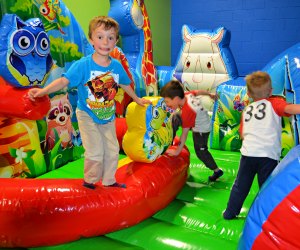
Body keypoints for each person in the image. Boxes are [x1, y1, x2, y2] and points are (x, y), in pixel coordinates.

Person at [28, 16, 151, 190]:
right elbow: (64, 81)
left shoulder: (115, 66)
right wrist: (42, 91)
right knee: (95, 150)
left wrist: (137, 98)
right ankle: (90, 181)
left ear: (116, 41)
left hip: (107, 116)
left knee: (112, 150)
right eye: (100, 37)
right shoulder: (83, 65)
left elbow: (124, 82)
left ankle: (109, 181)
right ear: (92, 39)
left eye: (110, 37)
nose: (105, 42)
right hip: (87, 115)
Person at [223, 71, 300, 220]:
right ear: (270, 92)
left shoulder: (247, 110)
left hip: (248, 154)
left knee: (240, 186)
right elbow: (291, 109)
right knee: (266, 188)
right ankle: (267, 217)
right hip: (267, 156)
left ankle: (230, 212)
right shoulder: (274, 103)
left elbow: (242, 134)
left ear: (249, 94)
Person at [160, 80, 223, 181]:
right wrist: (210, 94)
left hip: (201, 130)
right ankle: (168, 141)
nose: (167, 105)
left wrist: (177, 151)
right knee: (175, 116)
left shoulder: (188, 110)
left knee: (201, 152)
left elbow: (184, 135)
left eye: (167, 102)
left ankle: (216, 170)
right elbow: (198, 91)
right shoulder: (187, 94)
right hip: (194, 119)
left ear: (176, 99)